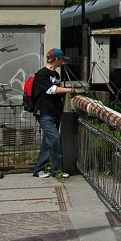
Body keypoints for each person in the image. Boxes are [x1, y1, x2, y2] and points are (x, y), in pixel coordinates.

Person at [30, 48, 80, 178]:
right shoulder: (42, 74)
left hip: (55, 111)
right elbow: (51, 90)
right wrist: (71, 90)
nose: (63, 62)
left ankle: (39, 169)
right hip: (44, 112)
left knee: (48, 142)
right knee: (55, 139)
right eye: (62, 59)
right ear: (56, 59)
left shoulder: (56, 75)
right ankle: (56, 170)